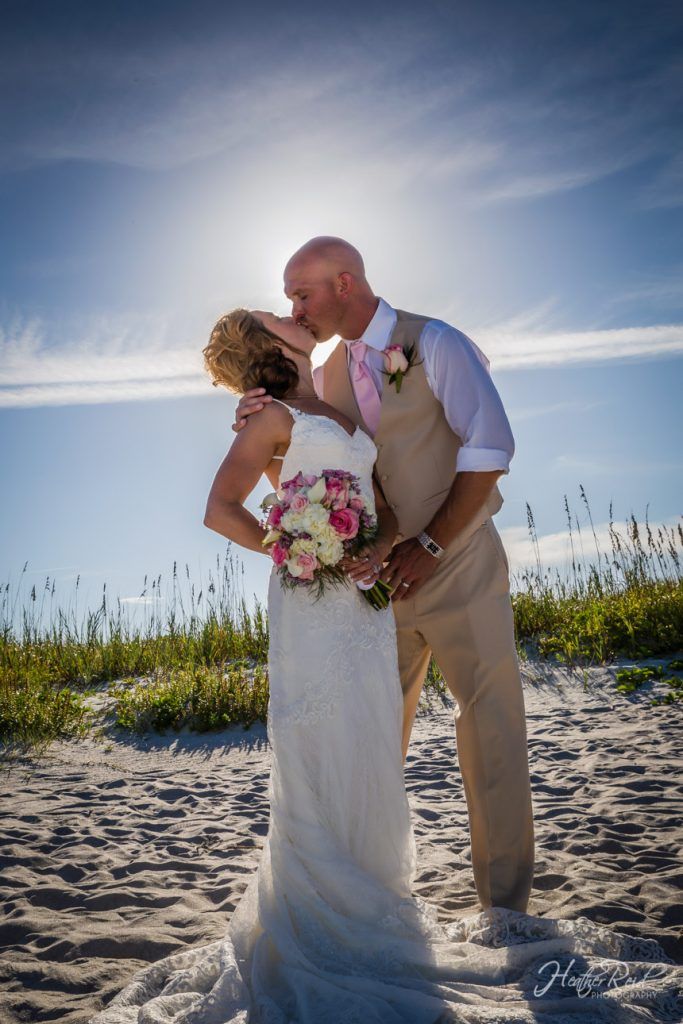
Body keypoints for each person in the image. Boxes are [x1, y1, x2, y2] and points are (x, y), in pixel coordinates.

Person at [89, 304, 681, 1023]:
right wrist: (293, 553)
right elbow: (220, 508)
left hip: (364, 603)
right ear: (269, 345)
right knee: (320, 739)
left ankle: (369, 898)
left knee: (363, 741)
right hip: (312, 600)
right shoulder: (272, 415)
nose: (293, 313)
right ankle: (314, 907)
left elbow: (380, 505)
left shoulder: (328, 400)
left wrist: (374, 546)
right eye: (280, 313)